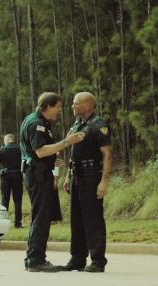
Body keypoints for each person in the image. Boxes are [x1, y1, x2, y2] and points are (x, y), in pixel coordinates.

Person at [20, 92, 85, 272]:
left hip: (37, 170)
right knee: (41, 217)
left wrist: (51, 160)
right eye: (58, 107)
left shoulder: (36, 120)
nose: (60, 111)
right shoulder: (36, 124)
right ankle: (35, 260)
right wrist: (66, 141)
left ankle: (34, 257)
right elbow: (40, 151)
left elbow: (37, 152)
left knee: (41, 217)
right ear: (48, 107)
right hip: (38, 175)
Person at [60, 92, 112, 273]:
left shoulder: (99, 124)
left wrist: (104, 181)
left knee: (93, 218)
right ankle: (77, 258)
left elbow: (107, 154)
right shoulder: (77, 124)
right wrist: (68, 175)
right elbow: (74, 153)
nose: (72, 106)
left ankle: (98, 260)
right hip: (77, 175)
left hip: (91, 176)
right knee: (77, 219)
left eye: (76, 103)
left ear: (87, 105)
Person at [0, 134, 24, 228]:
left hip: (5, 177)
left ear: (7, 140)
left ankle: (3, 223)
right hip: (17, 175)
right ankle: (18, 223)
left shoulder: (2, 150)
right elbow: (24, 162)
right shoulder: (21, 148)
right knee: (18, 200)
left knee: (5, 200)